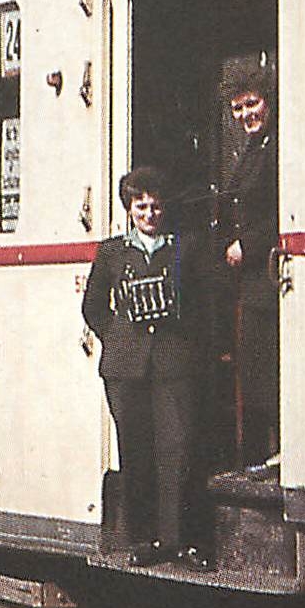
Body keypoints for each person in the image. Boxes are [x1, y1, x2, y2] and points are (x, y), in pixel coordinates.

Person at [81, 167, 214, 571]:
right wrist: (119, 338)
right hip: (126, 369)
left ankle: (182, 540)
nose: (150, 213)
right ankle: (143, 540)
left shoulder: (185, 247)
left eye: (156, 206)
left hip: (174, 364)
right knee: (136, 452)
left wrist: (188, 342)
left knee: (179, 451)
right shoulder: (111, 252)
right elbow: (92, 307)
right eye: (142, 206)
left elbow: (206, 303)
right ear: (129, 209)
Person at [216, 63, 280, 476]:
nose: (246, 115)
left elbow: (283, 211)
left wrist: (249, 247)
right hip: (250, 281)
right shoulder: (251, 150)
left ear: (269, 103)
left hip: (267, 276)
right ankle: (254, 458)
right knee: (252, 370)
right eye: (238, 108)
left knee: (267, 369)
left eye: (252, 104)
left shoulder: (277, 148)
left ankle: (271, 454)